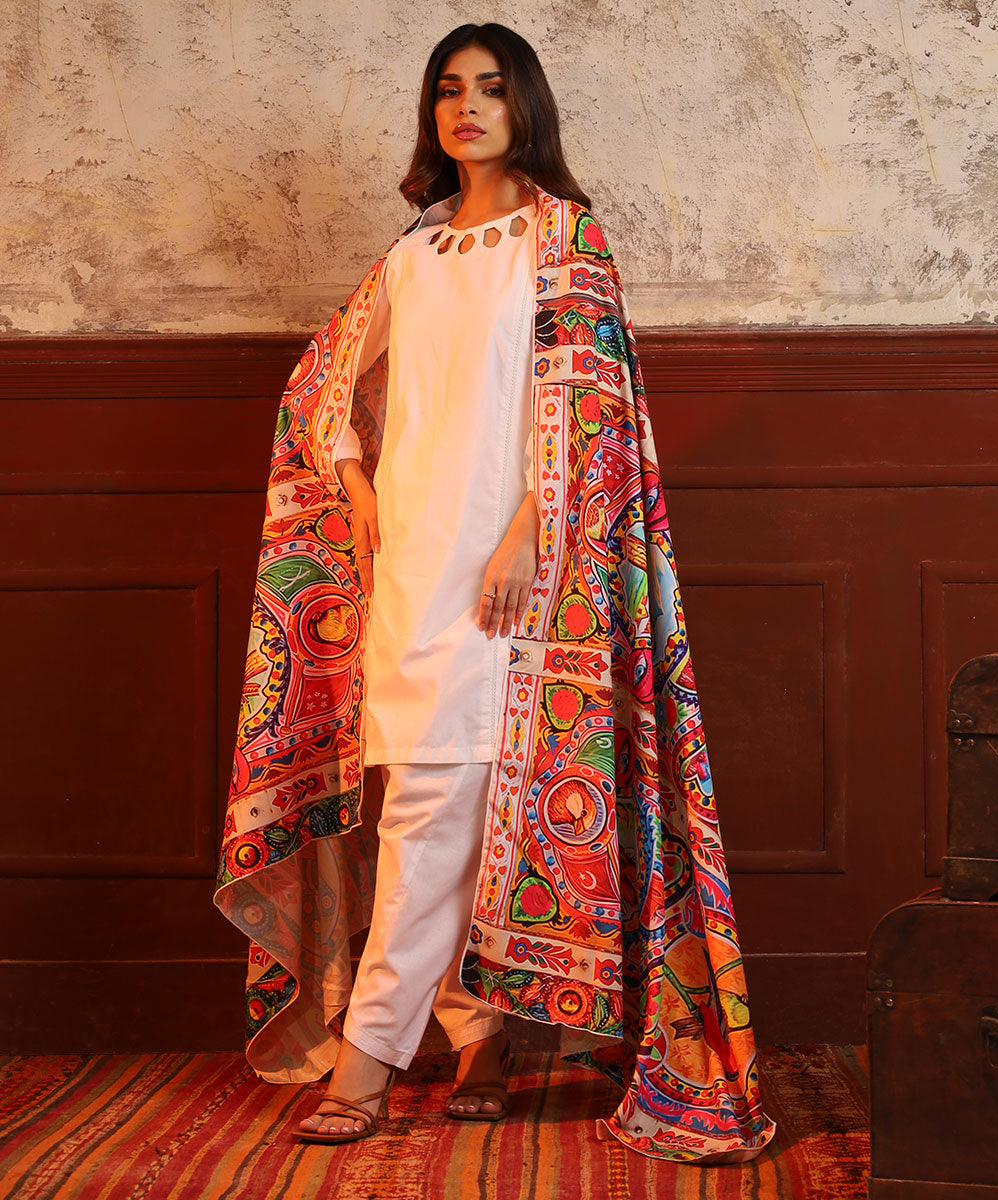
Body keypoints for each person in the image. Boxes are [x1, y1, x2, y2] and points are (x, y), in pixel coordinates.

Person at [214, 21, 777, 1161]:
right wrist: (358, 482)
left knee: (443, 808)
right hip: (411, 570)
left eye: (489, 88)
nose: (466, 107)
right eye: (447, 91)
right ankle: (483, 1031)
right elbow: (315, 391)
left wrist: (529, 526)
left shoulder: (564, 243)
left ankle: (370, 1056)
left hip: (526, 582)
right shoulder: (411, 256)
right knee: (438, 805)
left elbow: (596, 419)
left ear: (526, 104)